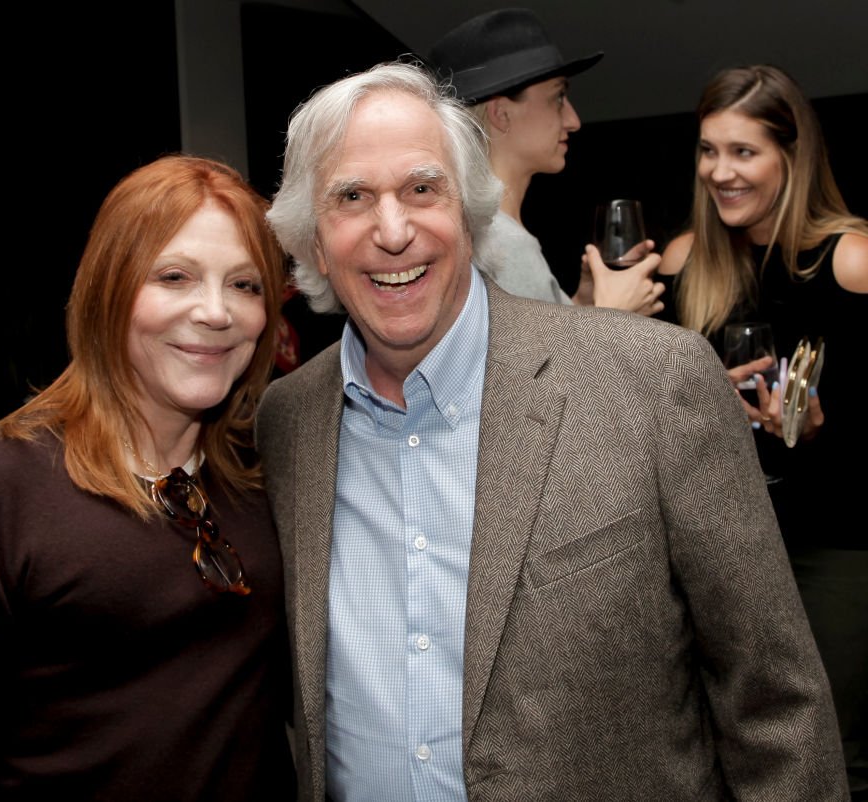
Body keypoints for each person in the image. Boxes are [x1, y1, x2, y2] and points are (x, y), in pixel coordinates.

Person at [255, 60, 846, 801]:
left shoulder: (652, 383)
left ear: (470, 211)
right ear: (312, 241)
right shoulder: (285, 425)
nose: (394, 230)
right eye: (351, 197)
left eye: (421, 189)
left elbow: (776, 705)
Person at [0, 155, 297, 801]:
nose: (217, 312)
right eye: (174, 276)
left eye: (246, 285)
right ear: (110, 287)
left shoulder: (263, 467)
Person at [658, 63, 868, 798]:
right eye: (708, 151)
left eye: (743, 152)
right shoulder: (685, 262)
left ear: (791, 155)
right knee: (717, 754)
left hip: (829, 546)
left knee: (827, 753)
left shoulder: (851, 261)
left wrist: (815, 432)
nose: (721, 171)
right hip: (714, 550)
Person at [427, 7, 664, 315]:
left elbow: (534, 343)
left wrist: (582, 303)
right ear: (501, 113)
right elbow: (538, 364)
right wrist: (615, 314)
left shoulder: (478, 229)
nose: (574, 121)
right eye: (559, 97)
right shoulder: (500, 243)